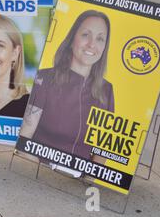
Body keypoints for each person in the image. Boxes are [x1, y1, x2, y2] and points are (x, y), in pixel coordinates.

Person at [18, 10, 115, 163]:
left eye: (100, 39)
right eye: (85, 35)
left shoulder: (106, 90)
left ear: (104, 47)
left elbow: (102, 149)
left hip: (79, 178)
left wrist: (89, 178)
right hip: (39, 169)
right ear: (71, 39)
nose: (92, 44)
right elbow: (24, 138)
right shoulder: (44, 78)